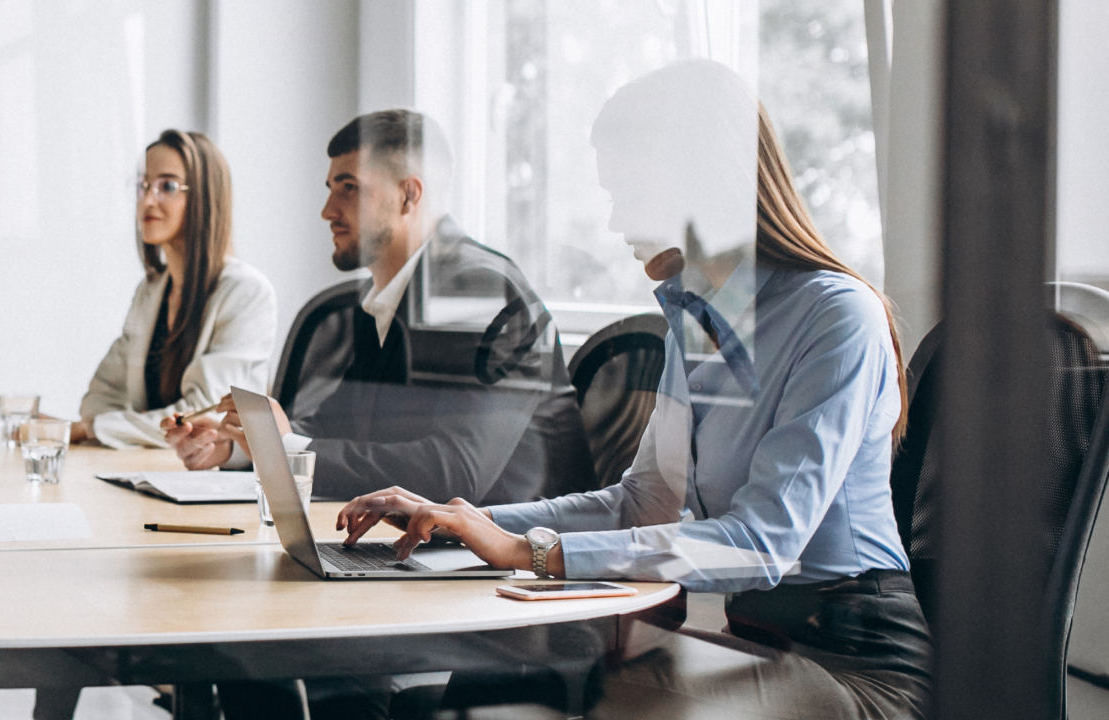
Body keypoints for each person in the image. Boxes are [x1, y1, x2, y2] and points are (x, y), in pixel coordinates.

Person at [337, 59, 931, 720]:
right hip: (760, 644)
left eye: (628, 191)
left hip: (856, 665)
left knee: (600, 695)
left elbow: (764, 541)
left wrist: (535, 552)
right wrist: (461, 522)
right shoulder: (702, 319)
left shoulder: (835, 315)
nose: (616, 219)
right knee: (507, 670)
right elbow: (643, 499)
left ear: (698, 180)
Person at [164, 109, 591, 506]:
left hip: (518, 559)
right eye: (330, 189)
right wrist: (244, 447)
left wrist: (288, 449)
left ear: (408, 195)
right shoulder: (391, 293)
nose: (328, 210)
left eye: (349, 188)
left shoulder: (479, 292)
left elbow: (455, 473)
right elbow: (338, 429)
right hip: (423, 547)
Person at [73, 129, 277, 448]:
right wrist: (99, 426)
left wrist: (93, 430)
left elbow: (203, 416)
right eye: (143, 185)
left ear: (204, 198)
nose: (148, 199)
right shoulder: (151, 290)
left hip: (207, 479)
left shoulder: (246, 292)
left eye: (167, 186)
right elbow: (100, 398)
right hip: (148, 468)